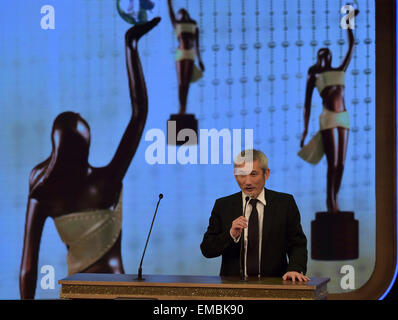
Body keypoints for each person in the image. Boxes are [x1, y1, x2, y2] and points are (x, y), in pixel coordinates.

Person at [19, 17, 161, 299]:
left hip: (77, 293)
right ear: (86, 147)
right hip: (115, 291)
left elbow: (27, 269)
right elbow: (139, 112)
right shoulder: (105, 181)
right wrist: (130, 46)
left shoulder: (42, 192)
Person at [200, 149, 309, 281]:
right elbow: (207, 249)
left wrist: (295, 269)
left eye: (253, 174)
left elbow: (297, 244)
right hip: (233, 287)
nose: (247, 182)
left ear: (266, 173)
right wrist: (230, 234)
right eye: (242, 175)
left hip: (275, 285)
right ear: (235, 176)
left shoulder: (284, 203)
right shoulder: (223, 205)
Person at [298, 8, 359, 213]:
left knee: (341, 164)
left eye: (328, 54)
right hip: (328, 118)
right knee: (332, 163)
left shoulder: (339, 70)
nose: (325, 57)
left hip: (344, 117)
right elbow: (307, 104)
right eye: (321, 55)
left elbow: (351, 46)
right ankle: (330, 201)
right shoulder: (314, 75)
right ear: (318, 58)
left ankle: (335, 198)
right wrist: (305, 131)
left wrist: (349, 21)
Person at [167, 0, 205, 115]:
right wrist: (168, 2)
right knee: (180, 82)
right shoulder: (176, 24)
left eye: (183, 12)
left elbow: (197, 45)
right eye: (179, 13)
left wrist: (200, 60)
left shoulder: (194, 25)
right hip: (180, 53)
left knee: (186, 83)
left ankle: (184, 106)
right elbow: (170, 12)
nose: (181, 13)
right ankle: (181, 107)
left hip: (190, 53)